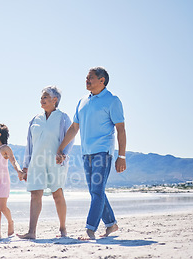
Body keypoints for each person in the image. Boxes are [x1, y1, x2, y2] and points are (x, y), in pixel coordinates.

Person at [57, 67, 127, 240]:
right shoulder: (82, 101)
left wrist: (122, 156)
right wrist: (61, 148)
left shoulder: (112, 100)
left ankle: (90, 230)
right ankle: (111, 224)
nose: (86, 80)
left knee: (96, 191)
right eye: (86, 78)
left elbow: (121, 129)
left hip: (103, 152)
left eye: (90, 78)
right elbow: (74, 128)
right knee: (96, 191)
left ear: (102, 80)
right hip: (86, 153)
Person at [17, 86, 74, 240]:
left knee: (57, 194)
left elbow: (70, 138)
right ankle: (31, 232)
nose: (41, 100)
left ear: (54, 100)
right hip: (36, 162)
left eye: (45, 97)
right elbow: (29, 143)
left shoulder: (63, 118)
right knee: (35, 194)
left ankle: (63, 229)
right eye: (41, 97)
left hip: (56, 161)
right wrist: (25, 165)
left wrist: (64, 155)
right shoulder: (35, 120)